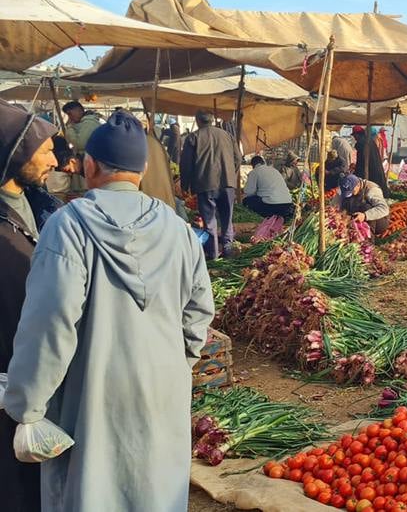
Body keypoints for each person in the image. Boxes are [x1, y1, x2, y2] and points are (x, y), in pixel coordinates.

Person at [3, 109, 215, 512]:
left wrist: (25, 404)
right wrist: (174, 363)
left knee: (93, 490)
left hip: (91, 396)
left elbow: (50, 325)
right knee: (154, 491)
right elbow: (199, 314)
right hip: (161, 393)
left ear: (90, 164)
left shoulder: (68, 228)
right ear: (145, 168)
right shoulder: (179, 231)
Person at [0, 99, 60, 512]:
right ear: (15, 155)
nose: (55, 160)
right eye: (45, 151)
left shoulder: (37, 205)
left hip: (32, 369)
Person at [180, 110, 242, 259]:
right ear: (212, 120)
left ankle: (213, 255)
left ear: (197, 120)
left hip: (205, 184)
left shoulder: (193, 137)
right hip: (228, 184)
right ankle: (228, 251)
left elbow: (186, 165)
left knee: (210, 222)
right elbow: (238, 158)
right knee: (227, 220)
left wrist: (185, 185)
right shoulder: (227, 136)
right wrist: (231, 174)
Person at [242, 155, 295, 220]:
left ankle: (266, 217)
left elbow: (248, 192)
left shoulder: (254, 172)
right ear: (263, 162)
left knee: (246, 200)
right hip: (288, 205)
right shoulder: (274, 170)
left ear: (253, 165)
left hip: (272, 206)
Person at [353, 126, 389, 196]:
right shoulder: (369, 140)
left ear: (357, 134)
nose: (354, 138)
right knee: (379, 187)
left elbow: (361, 161)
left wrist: (357, 173)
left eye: (354, 136)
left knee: (372, 189)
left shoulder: (361, 143)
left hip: (370, 170)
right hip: (376, 167)